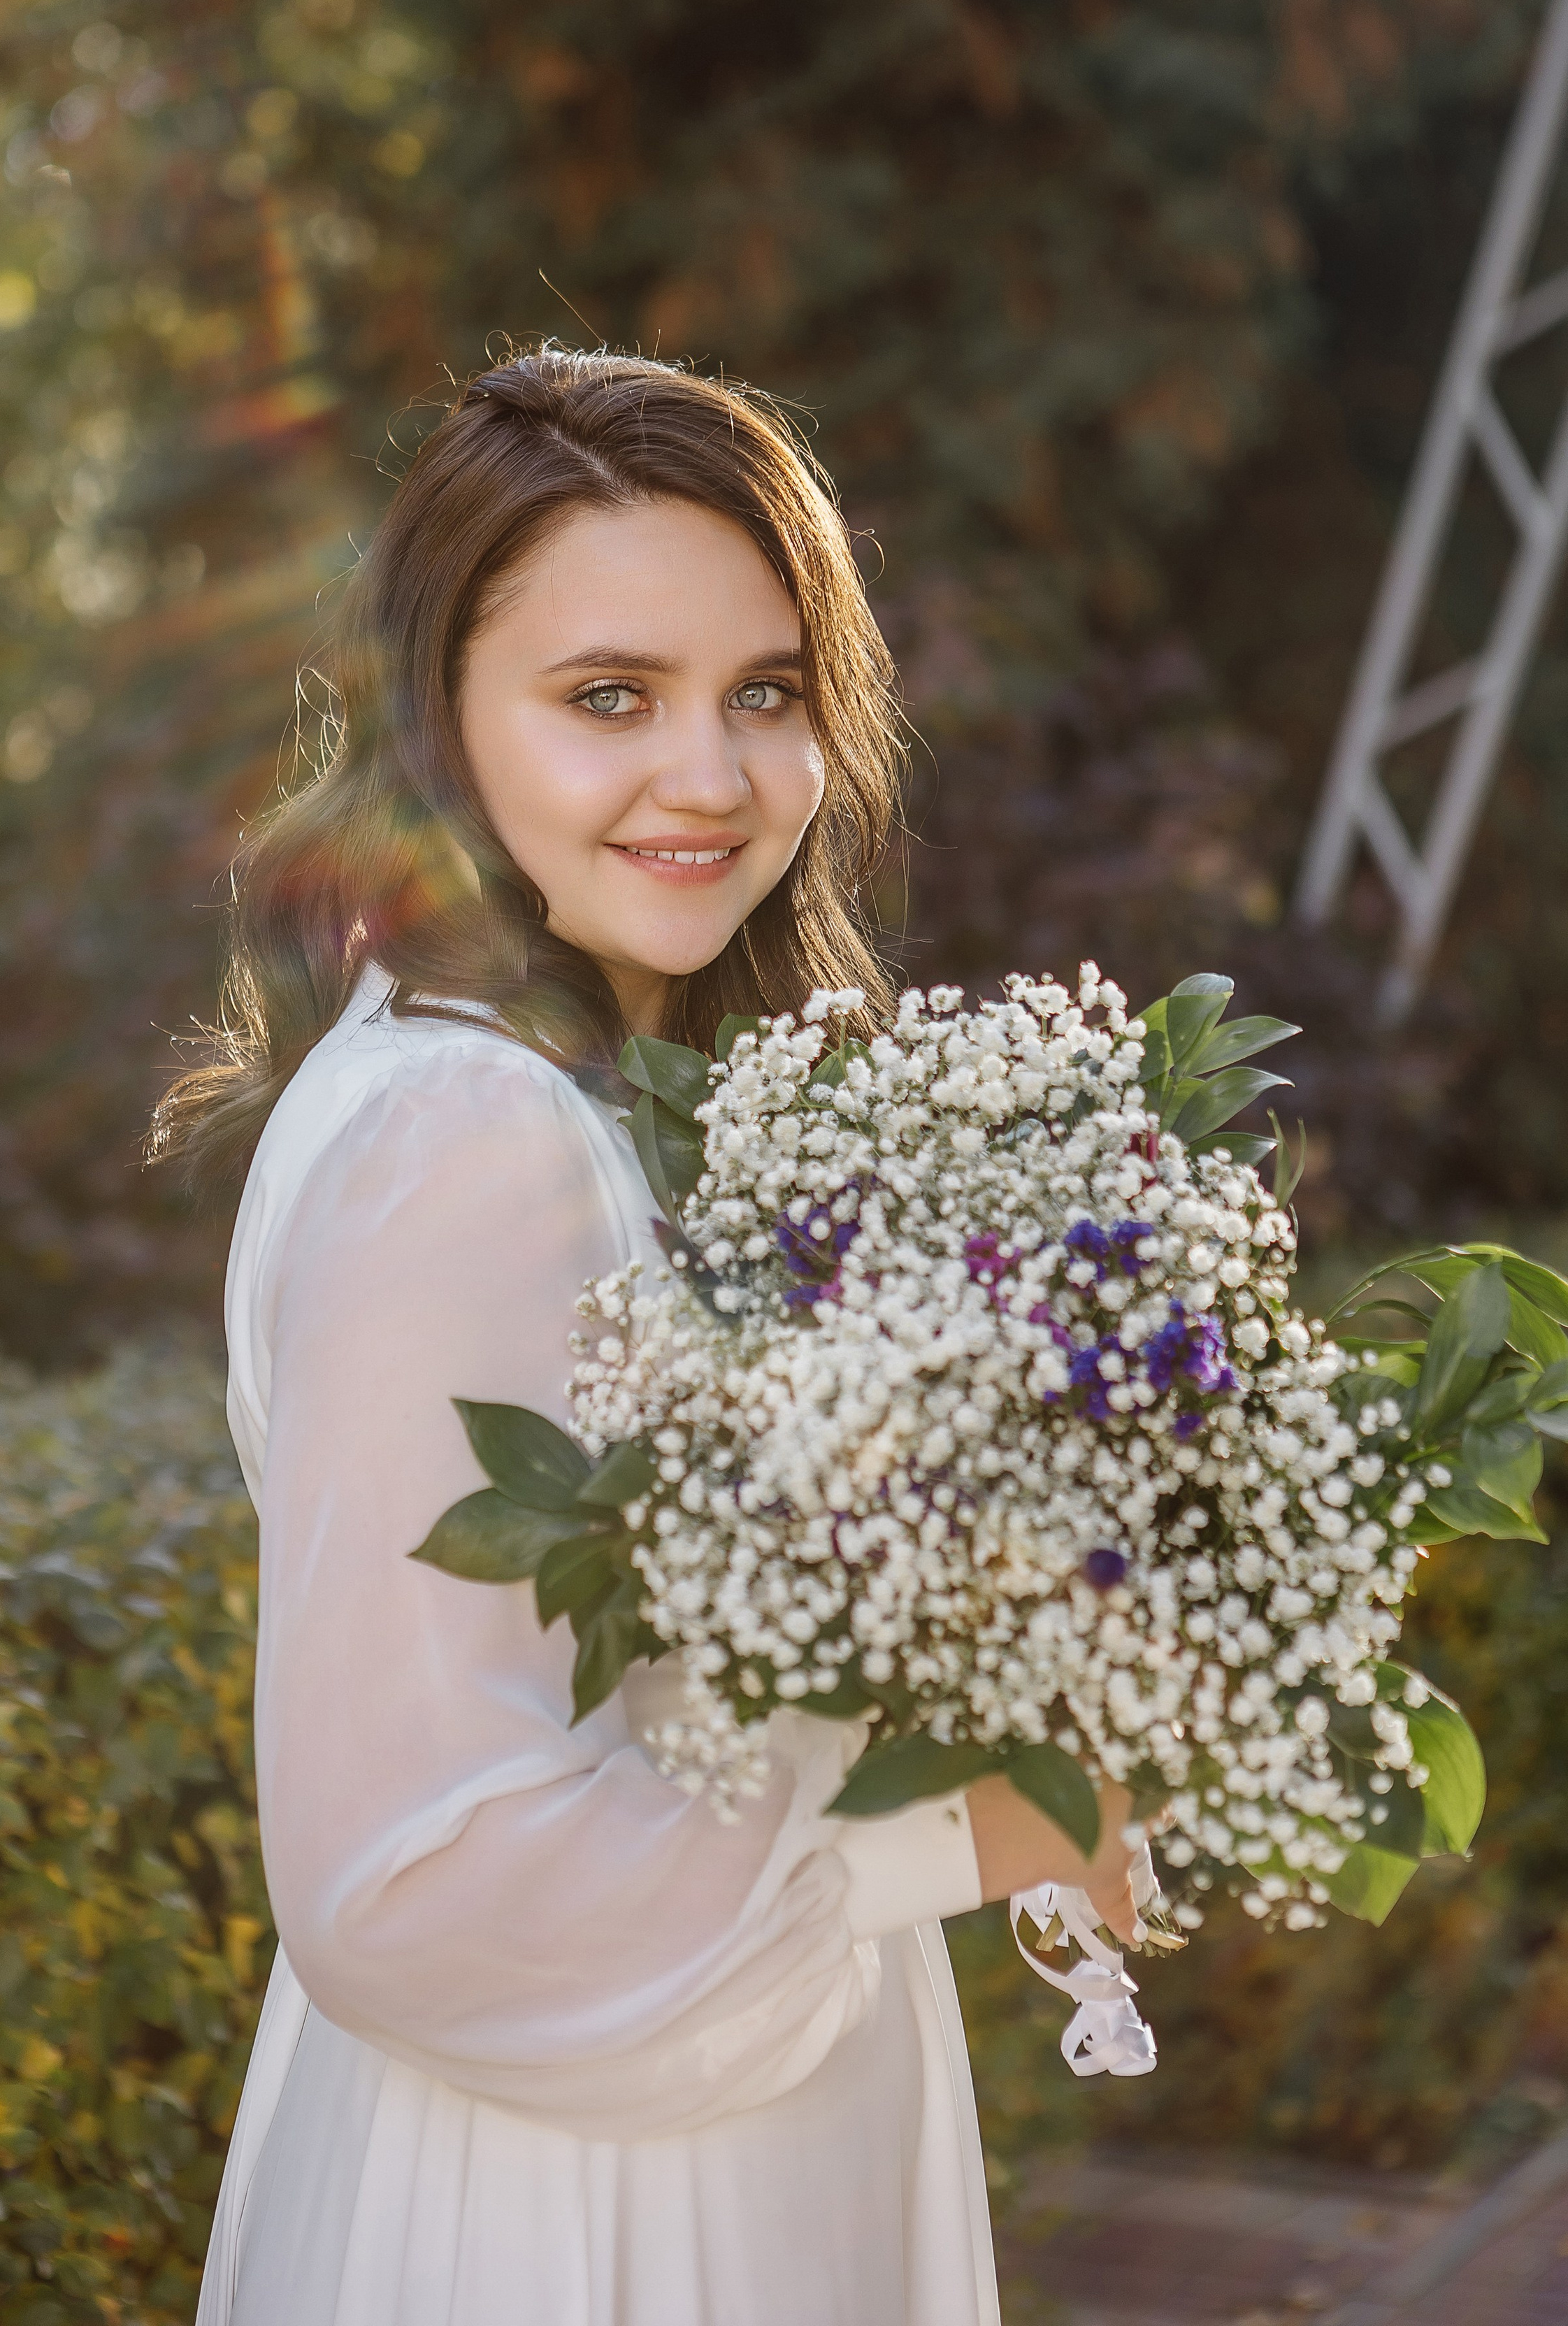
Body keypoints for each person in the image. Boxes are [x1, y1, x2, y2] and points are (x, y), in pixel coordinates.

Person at [156, 350, 1145, 2326]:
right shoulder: (467, 1137)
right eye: (611, 696)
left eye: (765, 695)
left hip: (693, 2099)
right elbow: (408, 1882)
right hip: (581, 2205)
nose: (711, 776)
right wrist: (968, 1824)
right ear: (444, 713)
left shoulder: (557, 1089)